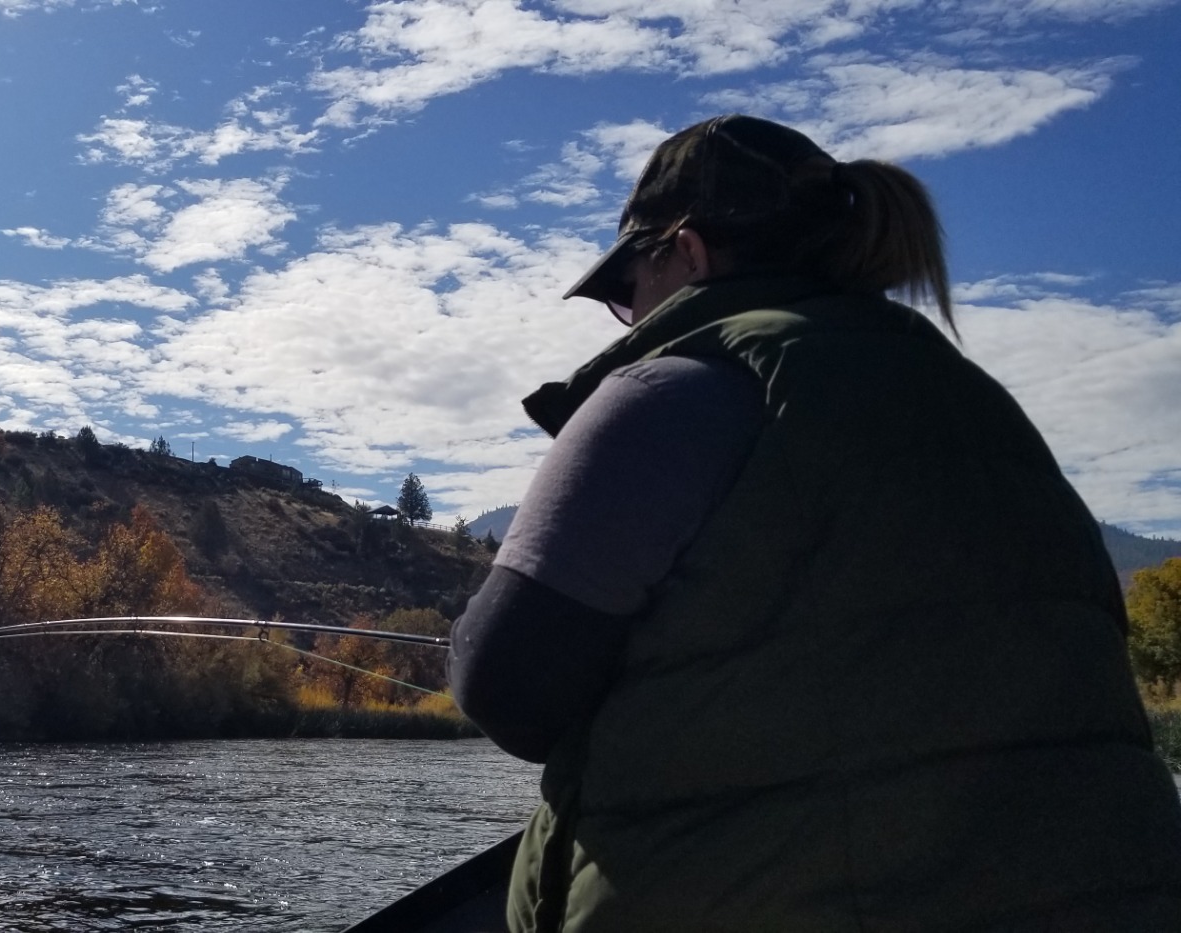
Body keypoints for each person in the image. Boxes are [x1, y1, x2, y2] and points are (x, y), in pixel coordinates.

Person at [448, 114, 1181, 932]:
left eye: (625, 286)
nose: (627, 313)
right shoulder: (980, 404)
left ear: (686, 252)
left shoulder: (683, 384)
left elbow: (504, 686)